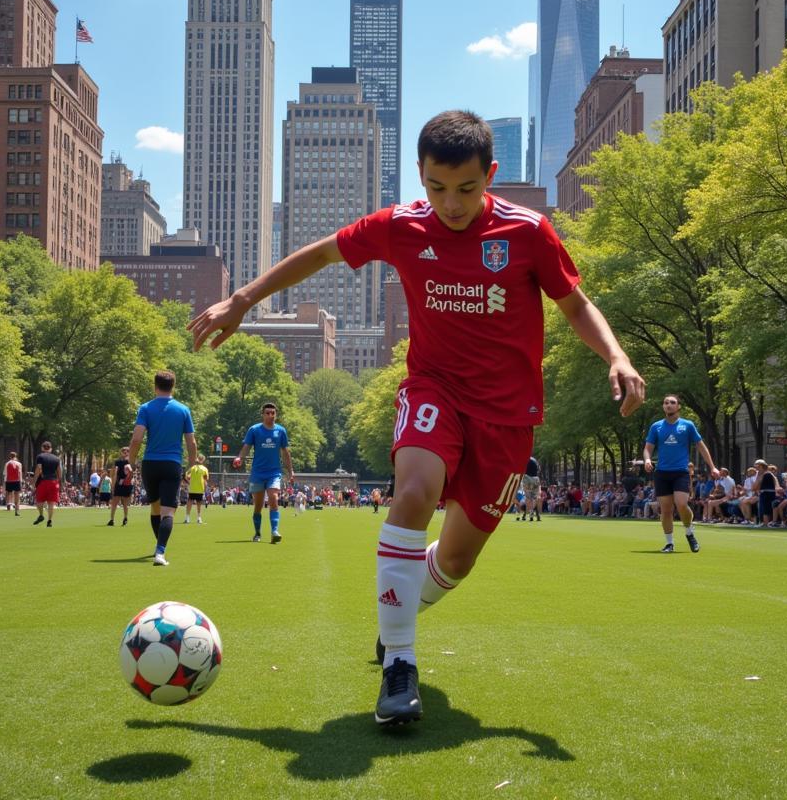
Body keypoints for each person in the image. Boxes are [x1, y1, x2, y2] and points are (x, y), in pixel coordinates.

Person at [189, 109, 645, 727]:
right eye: (435, 188)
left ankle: (397, 613)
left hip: (508, 417)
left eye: (465, 189)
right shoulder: (401, 227)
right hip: (433, 390)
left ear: (491, 174)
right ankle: (399, 663)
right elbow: (321, 254)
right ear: (420, 176)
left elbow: (575, 304)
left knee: (455, 562)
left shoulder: (530, 232)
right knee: (411, 494)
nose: (450, 203)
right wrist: (242, 299)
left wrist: (616, 355)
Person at [128, 369, 197, 566]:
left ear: (155, 385)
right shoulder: (183, 410)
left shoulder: (145, 408)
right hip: (172, 464)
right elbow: (192, 444)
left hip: (150, 464)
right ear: (173, 386)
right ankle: (160, 552)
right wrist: (191, 466)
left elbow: (136, 439)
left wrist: (130, 463)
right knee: (168, 512)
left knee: (155, 508)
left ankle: (158, 546)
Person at [643, 395, 720, 552]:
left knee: (682, 504)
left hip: (680, 472)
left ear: (678, 407)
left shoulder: (687, 425)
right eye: (665, 403)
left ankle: (689, 532)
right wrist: (647, 460)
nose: (668, 405)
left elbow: (701, 447)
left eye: (672, 403)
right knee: (666, 510)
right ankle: (669, 543)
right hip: (662, 473)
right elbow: (648, 448)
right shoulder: (656, 427)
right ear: (663, 407)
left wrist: (712, 467)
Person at [235, 402, 293, 544]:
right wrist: (240, 458)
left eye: (273, 413)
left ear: (276, 414)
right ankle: (257, 533)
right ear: (263, 414)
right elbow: (246, 447)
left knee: (273, 497)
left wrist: (291, 471)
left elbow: (285, 452)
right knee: (258, 505)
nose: (270, 415)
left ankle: (274, 532)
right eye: (267, 413)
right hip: (257, 472)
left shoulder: (281, 431)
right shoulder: (254, 430)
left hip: (274, 472)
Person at [33, 441, 62, 527]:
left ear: (42, 448)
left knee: (39, 500)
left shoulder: (40, 457)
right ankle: (49, 520)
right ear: (51, 449)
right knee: (51, 503)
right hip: (53, 481)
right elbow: (59, 472)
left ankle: (41, 514)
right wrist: (59, 481)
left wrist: (34, 480)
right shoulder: (57, 459)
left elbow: (39, 469)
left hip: (43, 481)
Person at [108, 447, 133, 527]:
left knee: (123, 503)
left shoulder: (129, 461)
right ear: (121, 452)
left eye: (127, 451)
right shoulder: (118, 462)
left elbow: (114, 472)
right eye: (124, 451)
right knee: (116, 502)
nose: (125, 452)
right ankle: (112, 519)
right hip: (121, 483)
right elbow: (114, 472)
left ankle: (123, 518)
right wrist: (113, 483)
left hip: (124, 484)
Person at [184, 453, 210, 524]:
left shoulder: (192, 468)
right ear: (203, 460)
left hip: (192, 488)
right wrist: (205, 487)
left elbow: (186, 475)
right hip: (200, 489)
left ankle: (187, 518)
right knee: (199, 503)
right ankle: (199, 518)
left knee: (189, 502)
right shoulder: (205, 469)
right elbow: (206, 479)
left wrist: (189, 482)